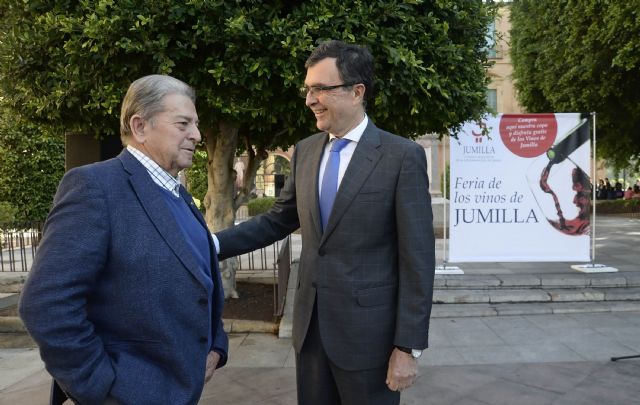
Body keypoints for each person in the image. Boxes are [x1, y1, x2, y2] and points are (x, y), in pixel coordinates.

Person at [216, 40, 435, 405]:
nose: (309, 99)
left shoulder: (402, 157)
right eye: (308, 89)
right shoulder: (305, 150)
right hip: (311, 336)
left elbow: (418, 260)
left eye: (320, 89)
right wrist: (212, 244)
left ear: (356, 92)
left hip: (371, 343)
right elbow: (276, 221)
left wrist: (407, 347)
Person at [19, 75, 228, 405]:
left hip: (183, 389)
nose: (197, 135)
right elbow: (46, 304)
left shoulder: (179, 194)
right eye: (184, 123)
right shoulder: (95, 187)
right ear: (140, 126)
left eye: (196, 124)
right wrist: (103, 389)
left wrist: (216, 345)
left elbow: (199, 275)